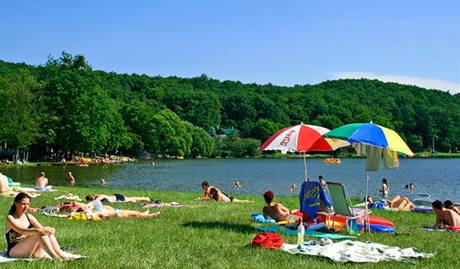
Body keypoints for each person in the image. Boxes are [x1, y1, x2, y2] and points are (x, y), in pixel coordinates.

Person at [5, 192, 78, 260]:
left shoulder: (29, 217)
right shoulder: (10, 218)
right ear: (16, 204)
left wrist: (49, 229)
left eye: (28, 204)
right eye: (23, 204)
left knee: (46, 232)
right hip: (14, 251)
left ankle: (60, 254)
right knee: (38, 232)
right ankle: (56, 258)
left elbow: (42, 229)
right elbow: (22, 230)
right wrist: (38, 230)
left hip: (31, 250)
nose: (26, 207)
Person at [85, 194, 150, 203]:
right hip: (116, 197)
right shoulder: (98, 197)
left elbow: (96, 200)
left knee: (131, 199)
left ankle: (145, 198)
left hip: (117, 198)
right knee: (131, 198)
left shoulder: (99, 197)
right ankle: (144, 198)